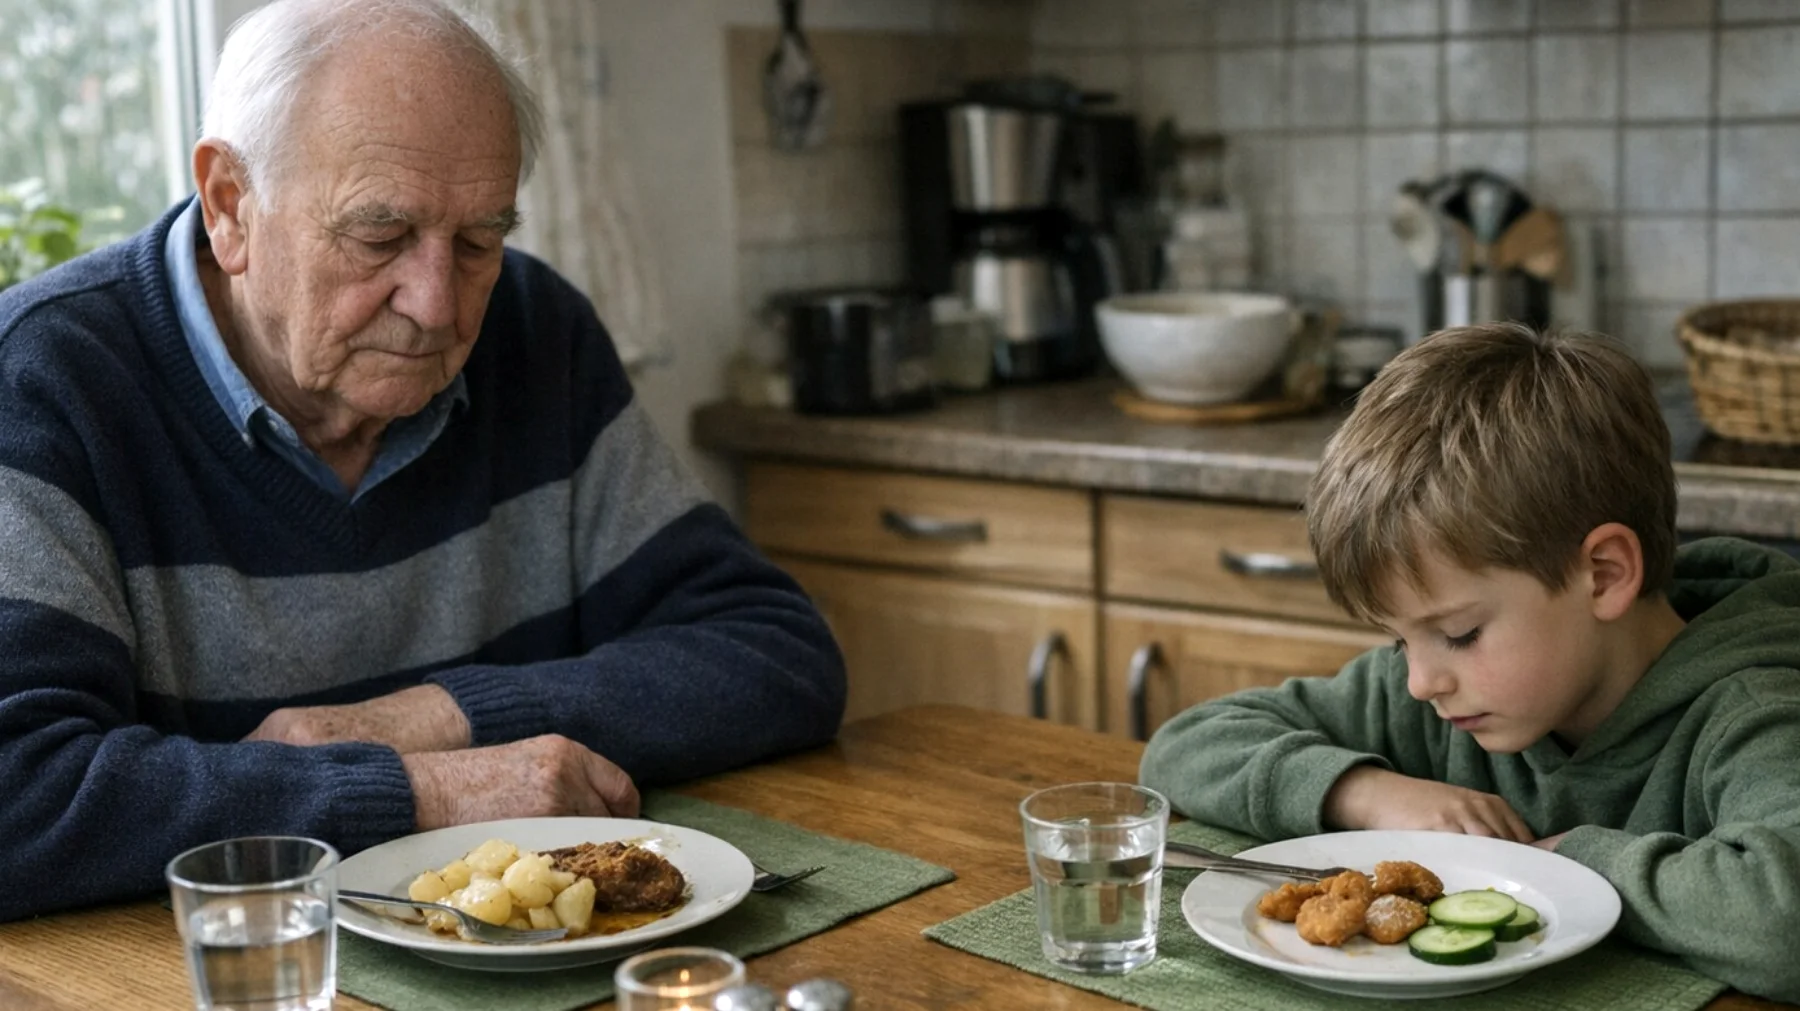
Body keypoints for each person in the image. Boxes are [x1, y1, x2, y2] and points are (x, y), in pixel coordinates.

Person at [0, 0, 844, 921]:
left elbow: (777, 654)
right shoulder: (42, 381)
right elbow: (19, 796)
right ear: (230, 206)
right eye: (380, 235)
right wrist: (425, 792)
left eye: (480, 238)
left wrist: (439, 716)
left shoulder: (536, 332)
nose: (438, 306)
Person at [1140, 323, 1800, 1002]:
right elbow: (1184, 746)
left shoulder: (1754, 709)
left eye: (1459, 632)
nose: (1421, 681)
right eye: (1400, 640)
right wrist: (1367, 792)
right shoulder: (1438, 698)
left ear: (1603, 575)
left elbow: (1786, 924)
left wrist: (1567, 863)